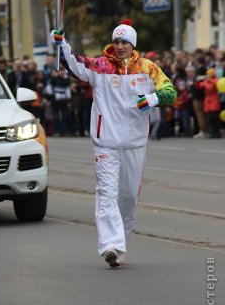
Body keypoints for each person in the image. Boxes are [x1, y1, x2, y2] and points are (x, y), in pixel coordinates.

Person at [50, 19, 177, 268]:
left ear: (133, 44)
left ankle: (120, 245)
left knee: (128, 197)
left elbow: (171, 91)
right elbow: (75, 64)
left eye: (124, 42)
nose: (119, 46)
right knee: (107, 193)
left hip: (135, 144)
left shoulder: (148, 68)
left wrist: (152, 98)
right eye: (116, 41)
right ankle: (109, 245)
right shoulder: (100, 66)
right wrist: (61, 44)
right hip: (106, 143)